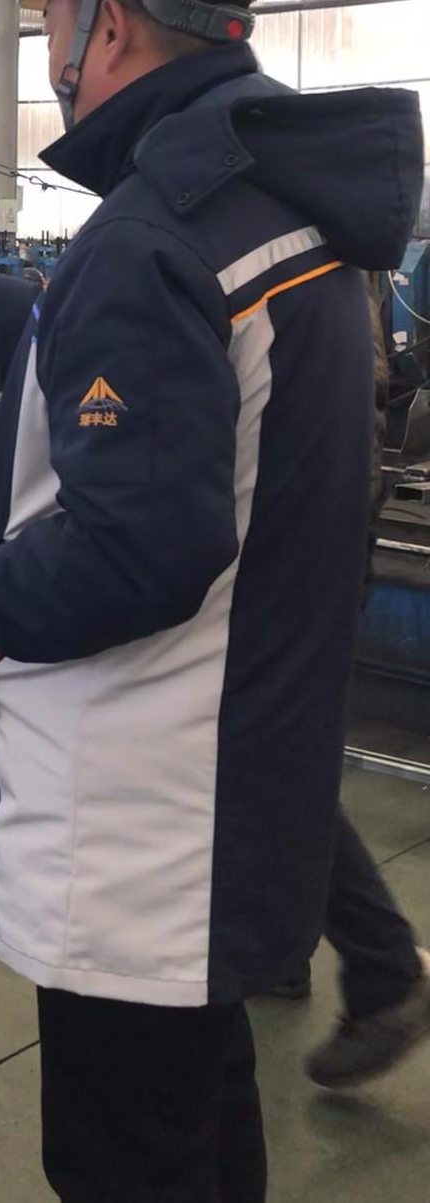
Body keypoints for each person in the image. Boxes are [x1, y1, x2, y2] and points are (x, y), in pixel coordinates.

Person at [0, 0, 424, 1202]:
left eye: (51, 15)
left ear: (105, 22)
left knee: (122, 1157)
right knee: (203, 1132)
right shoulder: (279, 207)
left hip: (136, 816)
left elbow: (138, 541)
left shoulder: (149, 232)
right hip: (230, 781)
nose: (50, 48)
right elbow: (158, 356)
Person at [272, 283, 430, 1087]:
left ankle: (386, 970)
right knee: (269, 754)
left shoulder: (301, 245)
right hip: (314, 504)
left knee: (266, 762)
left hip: (296, 517)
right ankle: (277, 944)